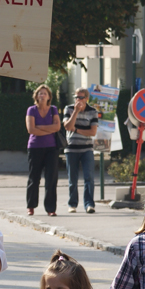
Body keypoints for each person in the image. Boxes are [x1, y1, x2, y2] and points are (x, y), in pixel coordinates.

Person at [26, 84, 61, 216]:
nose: (42, 95)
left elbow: (57, 127)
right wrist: (48, 128)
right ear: (36, 96)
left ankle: (51, 208)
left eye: (44, 93)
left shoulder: (53, 109)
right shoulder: (31, 110)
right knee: (34, 178)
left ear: (49, 97)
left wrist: (40, 127)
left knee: (51, 178)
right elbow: (31, 130)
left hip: (51, 148)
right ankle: (31, 206)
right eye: (40, 93)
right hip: (35, 148)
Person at [63, 88, 99, 214]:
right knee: (72, 178)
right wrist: (76, 111)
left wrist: (76, 130)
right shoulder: (69, 108)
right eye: (76, 97)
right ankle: (72, 204)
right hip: (71, 148)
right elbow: (67, 126)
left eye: (81, 97)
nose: (78, 99)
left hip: (87, 149)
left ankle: (89, 204)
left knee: (89, 177)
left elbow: (93, 132)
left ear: (86, 99)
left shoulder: (93, 111)